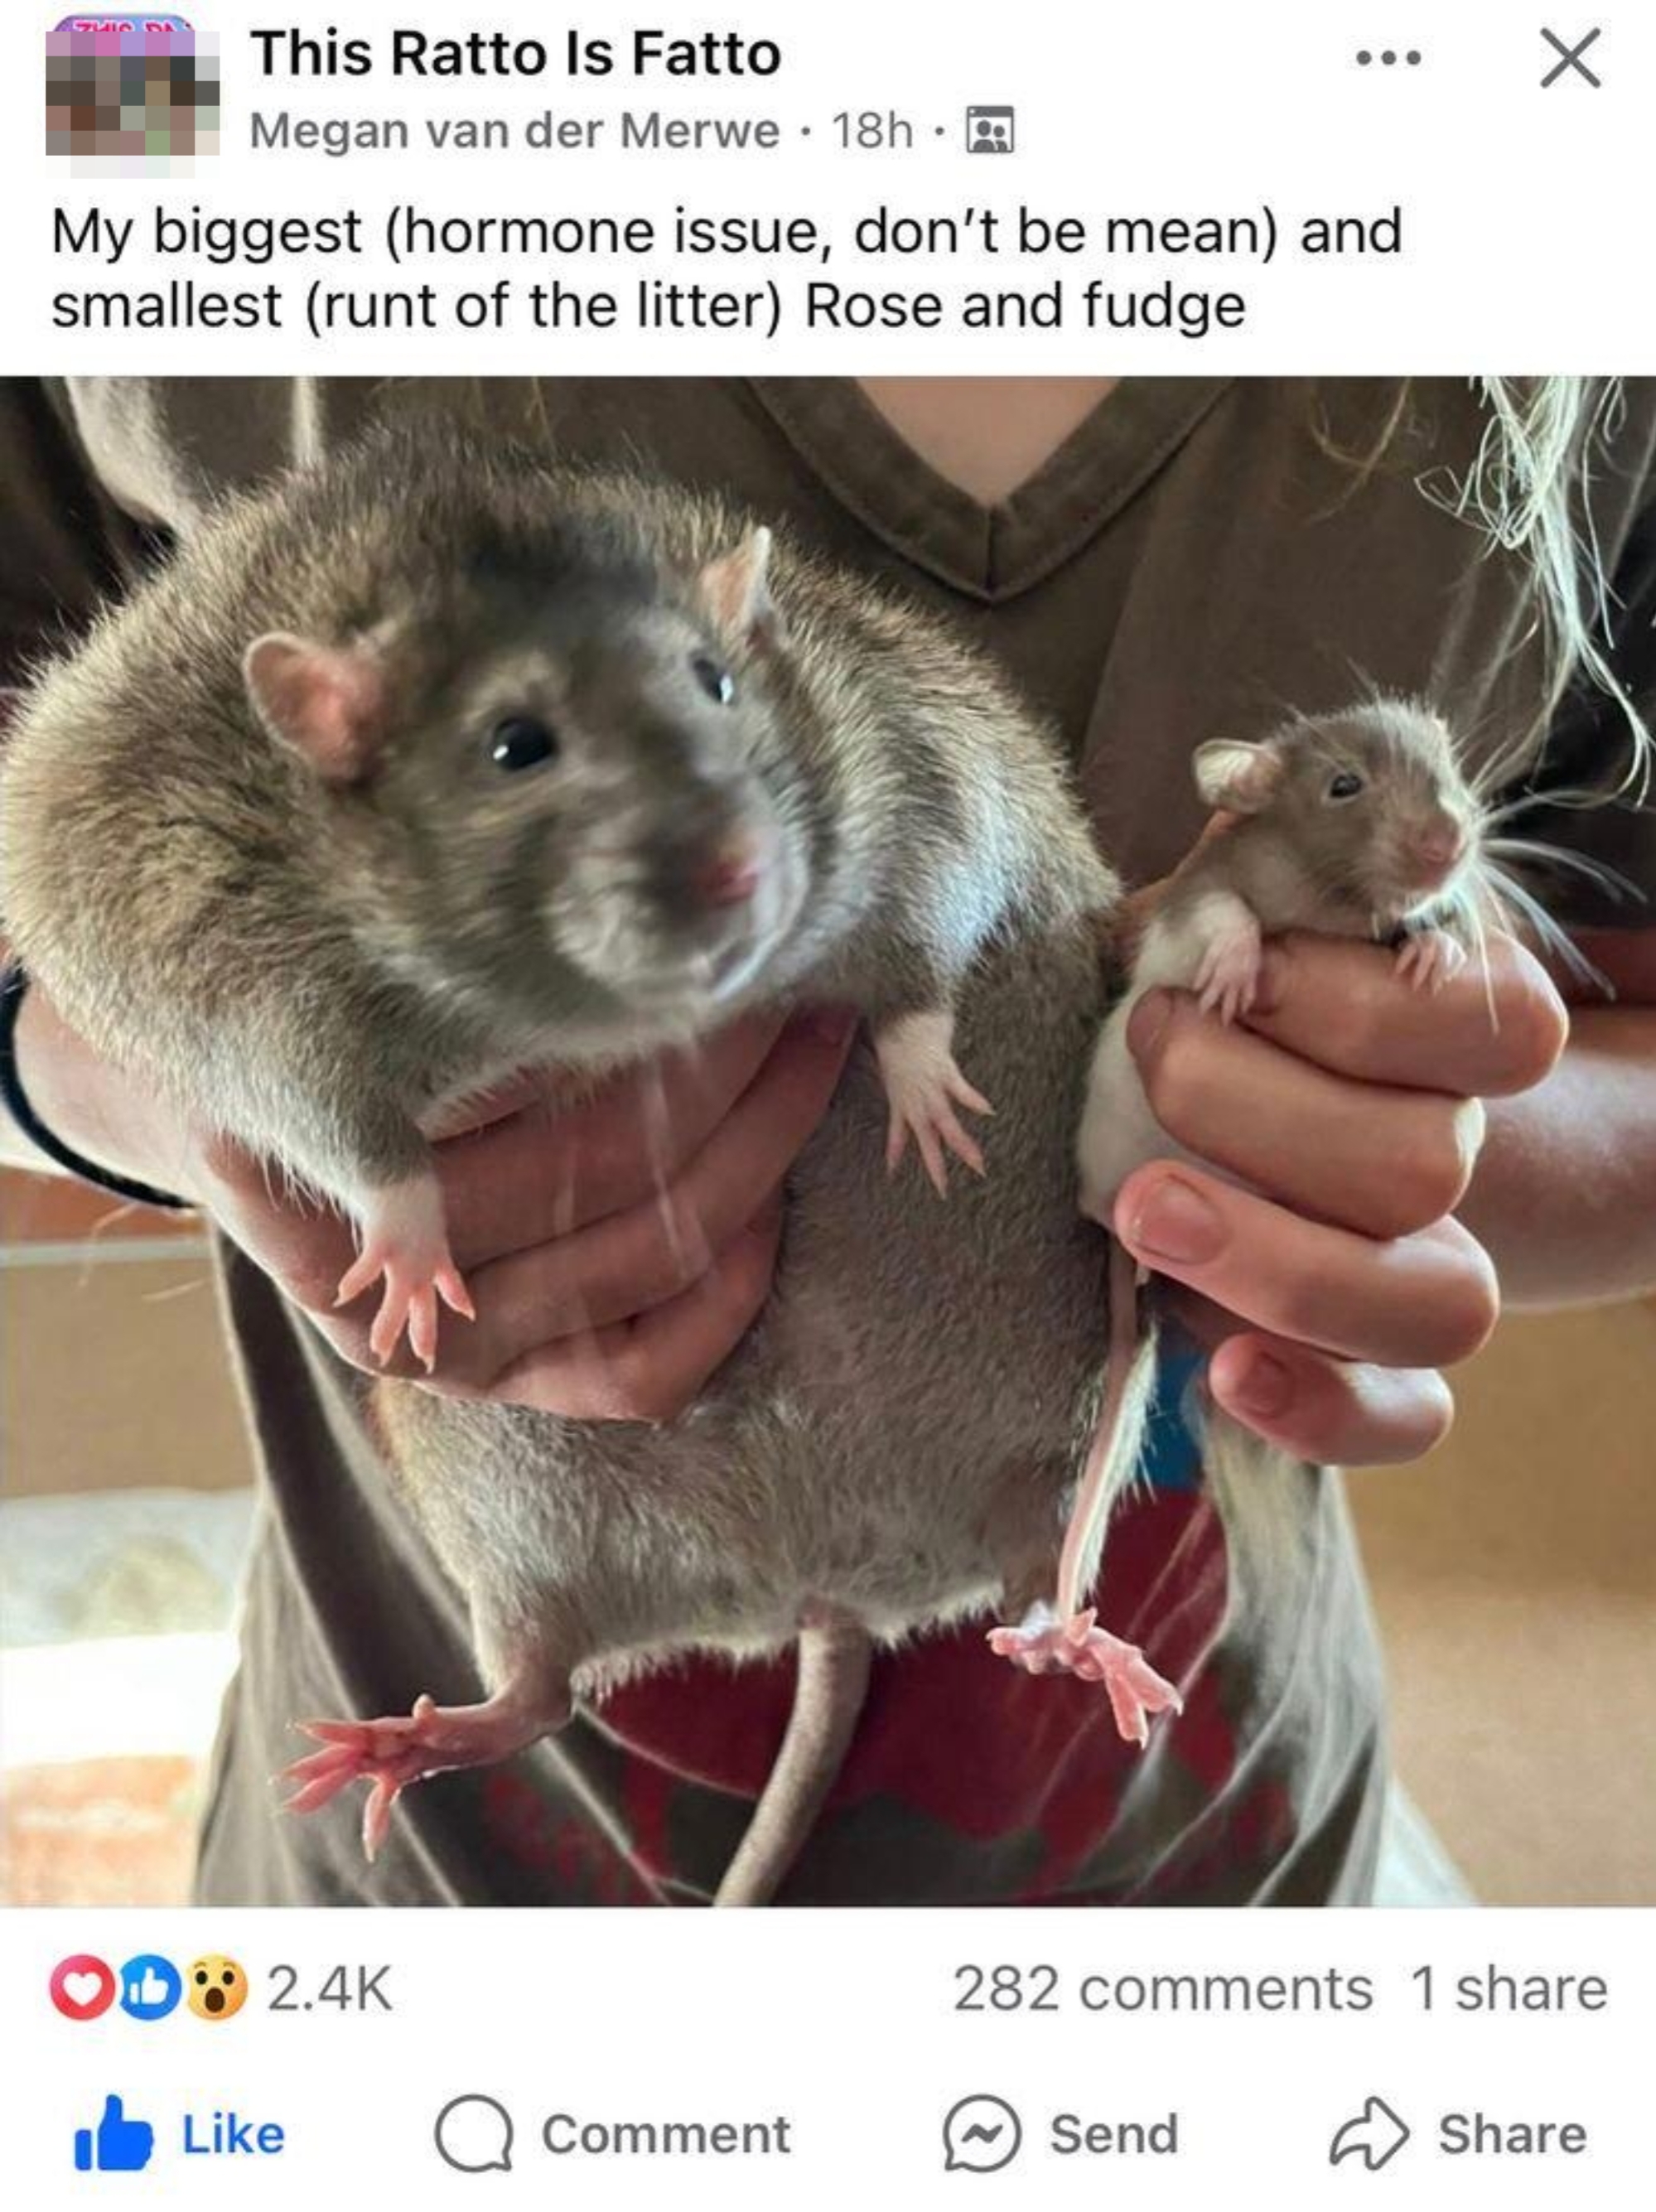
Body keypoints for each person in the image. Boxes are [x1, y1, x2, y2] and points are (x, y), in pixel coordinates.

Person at [2, 374, 1652, 1905]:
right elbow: (55, 885)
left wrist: (1403, 1158)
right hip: (424, 1854)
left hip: (1206, 1819)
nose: (719, 855)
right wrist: (184, 1087)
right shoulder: (144, 101)